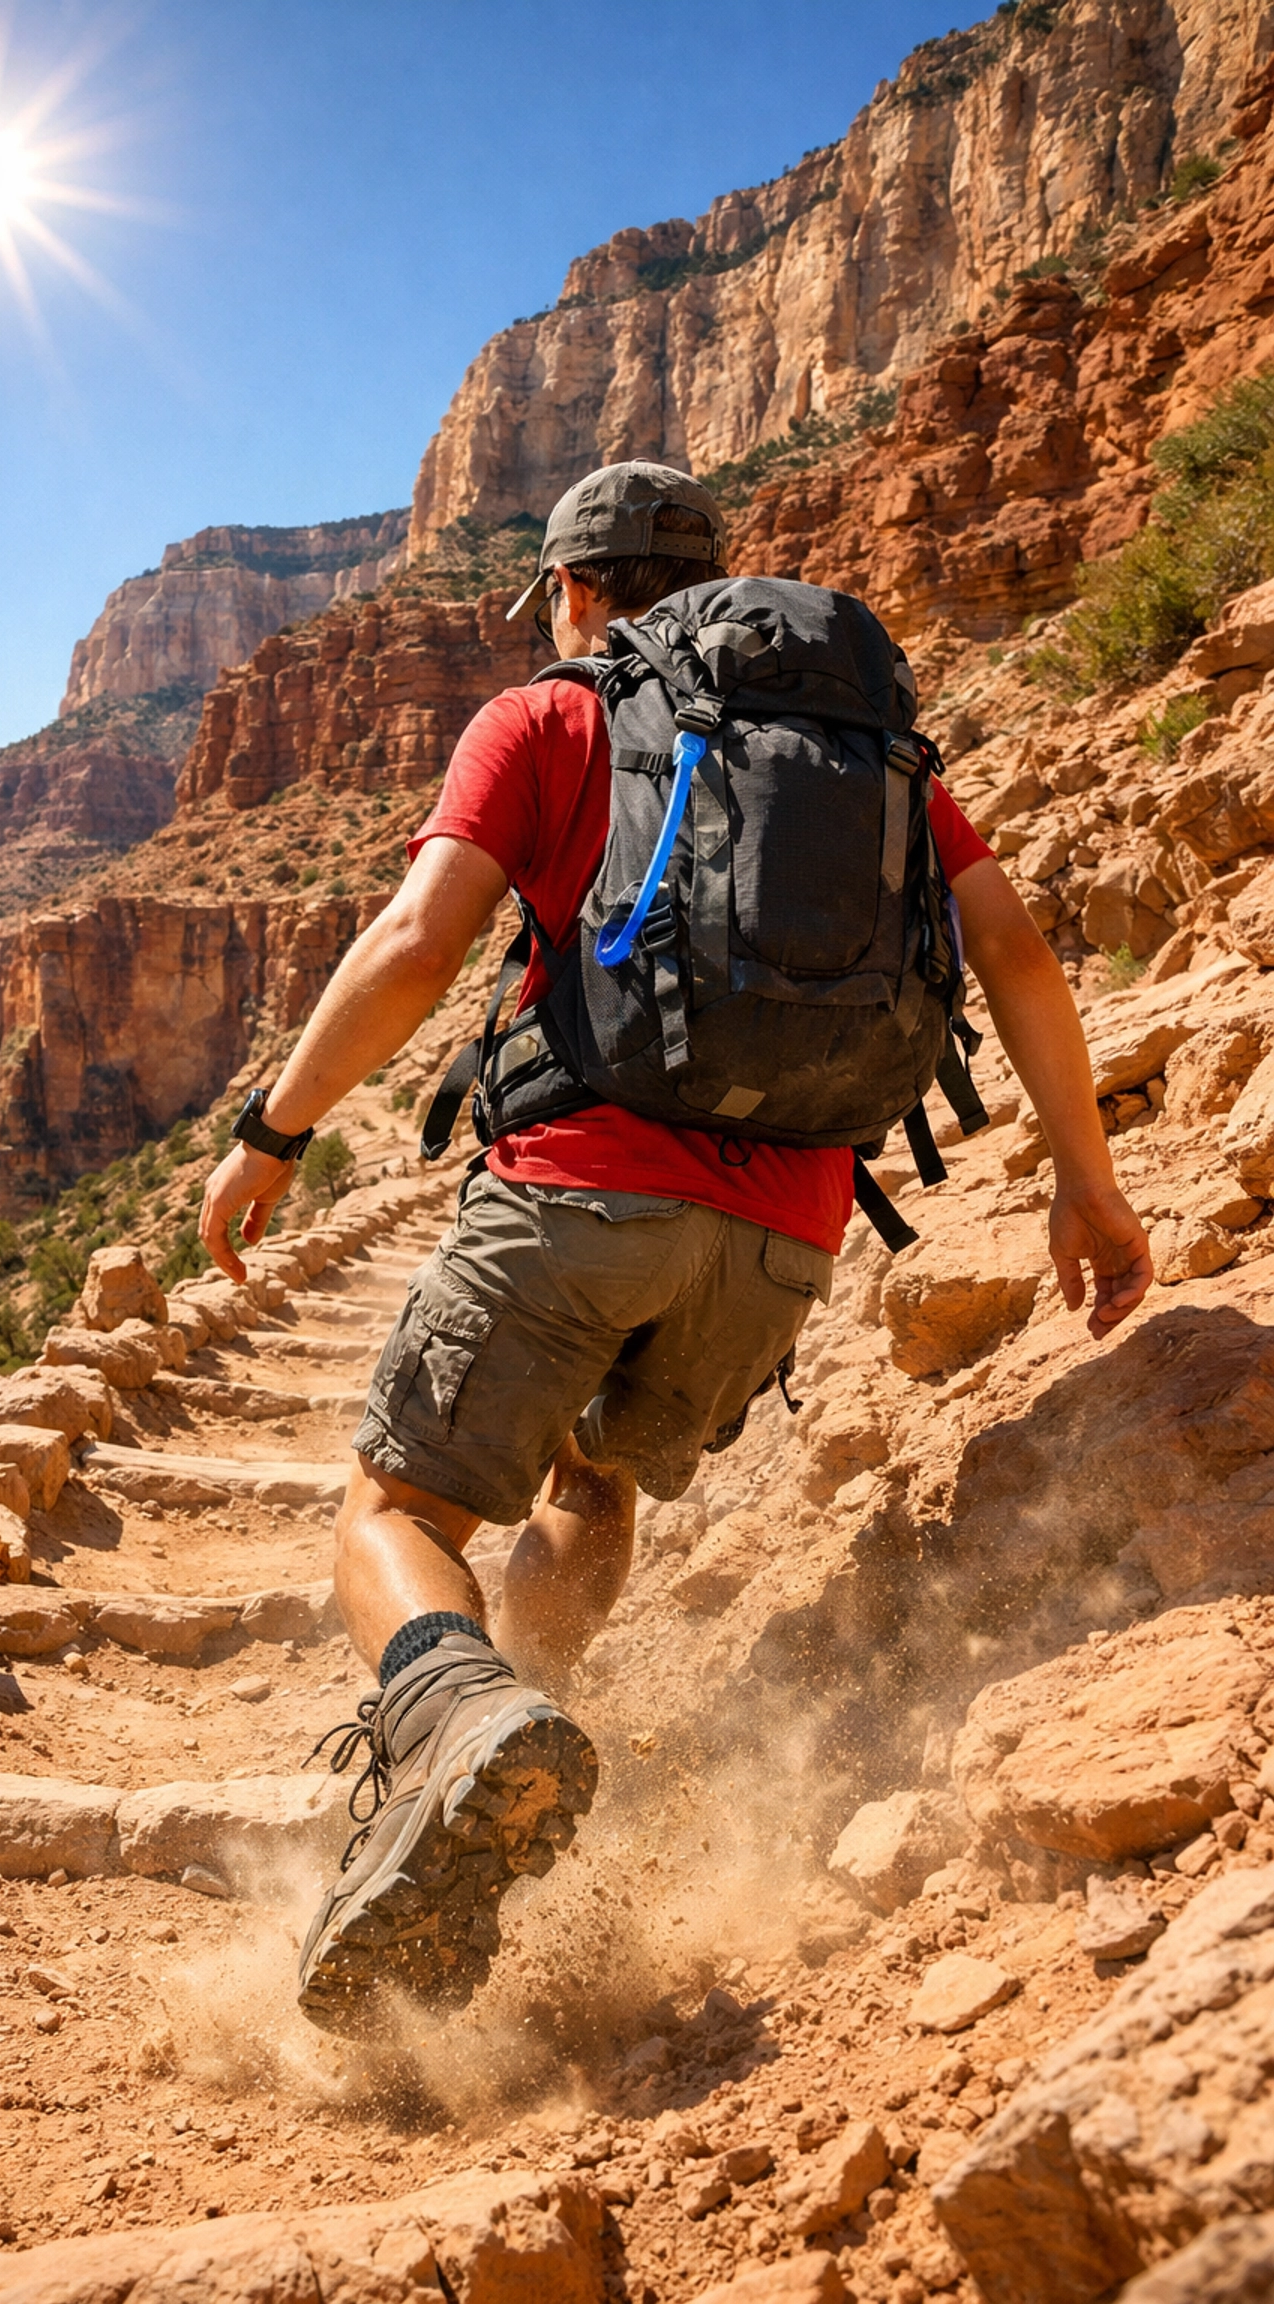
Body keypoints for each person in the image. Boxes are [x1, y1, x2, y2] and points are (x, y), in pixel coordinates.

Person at [197, 460, 1153, 2033]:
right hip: (784, 1236)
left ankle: (461, 1727)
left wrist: (274, 1131)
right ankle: (504, 1760)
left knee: (397, 1507)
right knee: (593, 1483)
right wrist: (1087, 1182)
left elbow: (419, 941)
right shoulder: (865, 748)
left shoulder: (549, 718)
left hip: (581, 1190)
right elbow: (1017, 954)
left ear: (573, 589)